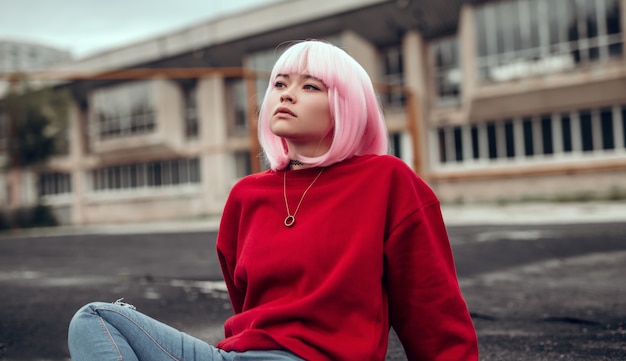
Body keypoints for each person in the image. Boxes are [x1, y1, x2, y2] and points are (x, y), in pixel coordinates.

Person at [68, 40, 478, 361]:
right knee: (95, 320)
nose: (286, 94)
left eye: (309, 86)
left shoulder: (387, 180)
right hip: (239, 355)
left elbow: (431, 309)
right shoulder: (246, 195)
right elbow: (247, 306)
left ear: (345, 106)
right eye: (279, 84)